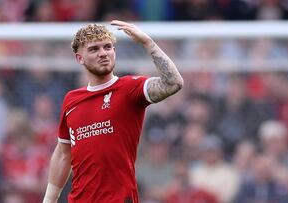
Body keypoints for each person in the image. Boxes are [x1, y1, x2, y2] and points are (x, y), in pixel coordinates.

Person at [42, 20, 183, 203]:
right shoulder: (71, 100)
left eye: (108, 47)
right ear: (79, 58)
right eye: (94, 49)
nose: (103, 53)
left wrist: (148, 42)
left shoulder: (130, 88)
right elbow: (63, 153)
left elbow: (173, 83)